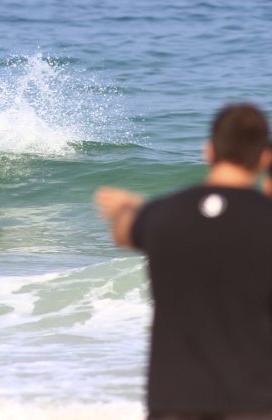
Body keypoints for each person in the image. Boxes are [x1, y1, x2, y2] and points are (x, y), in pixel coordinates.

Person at [95, 103, 272, 420]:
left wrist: (128, 207)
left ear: (208, 151)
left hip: (174, 399)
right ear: (264, 158)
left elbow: (123, 233)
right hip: (254, 400)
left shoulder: (164, 215)